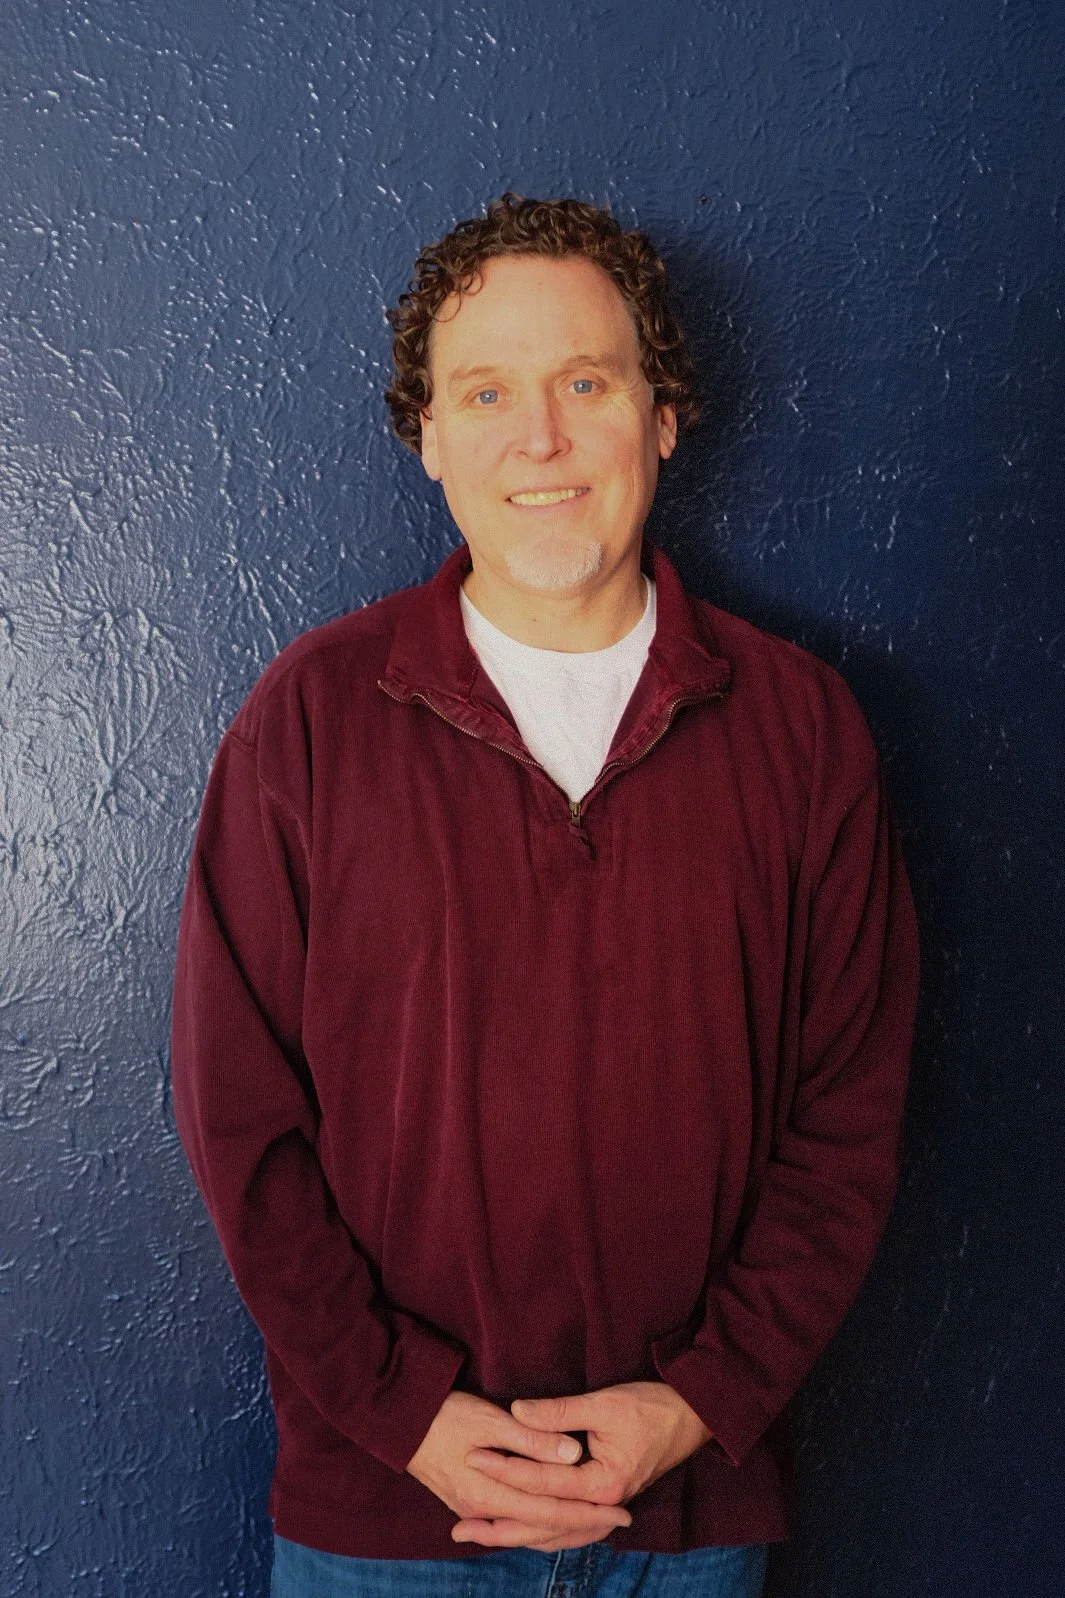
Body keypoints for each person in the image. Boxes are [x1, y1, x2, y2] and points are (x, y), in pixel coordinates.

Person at [171, 193, 920, 1598]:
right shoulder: (312, 723)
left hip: (693, 1523)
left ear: (665, 415)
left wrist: (693, 1402)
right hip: (385, 1519)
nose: (542, 437)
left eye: (587, 381)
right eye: (488, 391)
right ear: (429, 434)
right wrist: (403, 1411)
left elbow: (851, 1113)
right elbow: (239, 1117)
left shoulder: (803, 729)